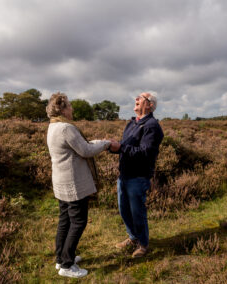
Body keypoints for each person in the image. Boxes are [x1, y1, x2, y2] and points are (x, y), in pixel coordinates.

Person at [46, 92, 111, 278]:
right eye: (69, 106)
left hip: (61, 182)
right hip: (73, 184)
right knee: (78, 221)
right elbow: (86, 150)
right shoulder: (66, 128)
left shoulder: (53, 126)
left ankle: (61, 258)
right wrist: (105, 144)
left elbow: (81, 147)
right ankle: (67, 265)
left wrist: (97, 143)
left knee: (65, 220)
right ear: (62, 109)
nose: (72, 109)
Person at [109, 92, 164, 258]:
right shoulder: (132, 123)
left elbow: (145, 153)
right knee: (124, 209)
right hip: (124, 175)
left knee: (137, 211)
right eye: (137, 97)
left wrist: (121, 148)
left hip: (138, 177)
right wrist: (113, 147)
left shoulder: (152, 126)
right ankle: (133, 237)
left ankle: (143, 244)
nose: (136, 99)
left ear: (150, 105)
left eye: (141, 98)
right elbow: (126, 147)